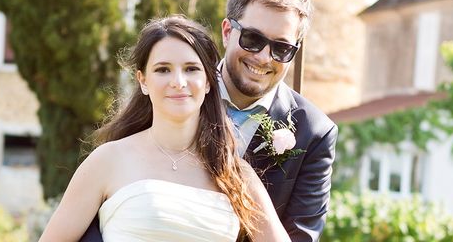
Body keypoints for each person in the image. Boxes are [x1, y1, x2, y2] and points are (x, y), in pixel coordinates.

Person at [40, 16, 289, 241]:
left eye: (191, 69)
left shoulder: (236, 174)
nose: (178, 82)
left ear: (208, 82)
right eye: (163, 70)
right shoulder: (107, 160)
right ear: (143, 81)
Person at [220, 0, 338, 242]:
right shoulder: (175, 91)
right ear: (227, 31)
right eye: (252, 39)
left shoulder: (314, 132)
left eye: (281, 48)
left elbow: (300, 237)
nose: (263, 57)